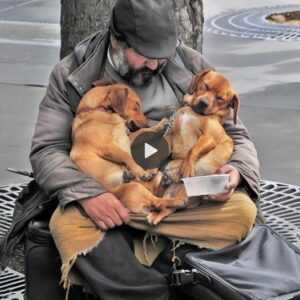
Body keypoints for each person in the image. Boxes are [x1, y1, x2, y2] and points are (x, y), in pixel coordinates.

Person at [29, 0, 260, 299]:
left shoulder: (190, 66)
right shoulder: (72, 73)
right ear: (117, 40)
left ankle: (137, 261)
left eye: (161, 55)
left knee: (241, 212)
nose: (155, 64)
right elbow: (47, 149)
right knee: (68, 225)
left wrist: (237, 171)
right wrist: (87, 194)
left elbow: (238, 137)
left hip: (174, 194)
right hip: (110, 192)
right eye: (145, 56)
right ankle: (159, 289)